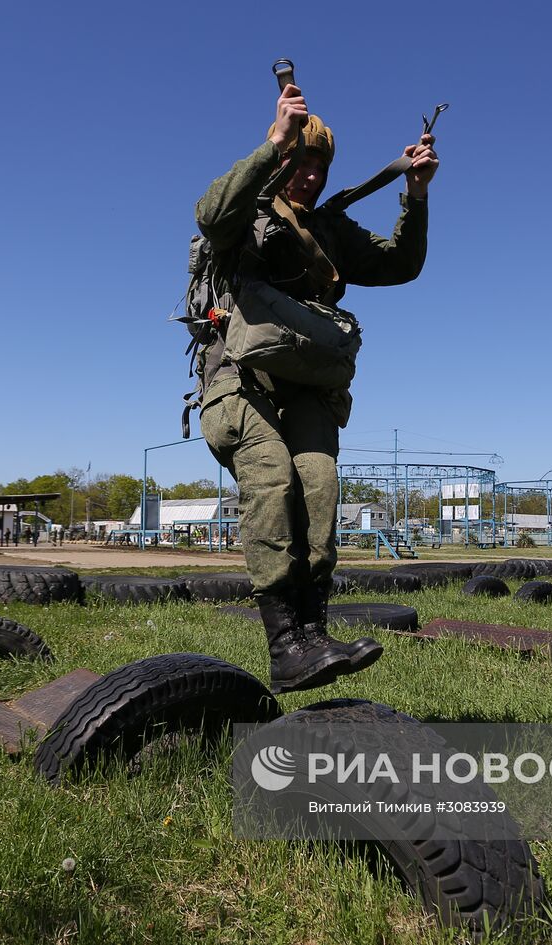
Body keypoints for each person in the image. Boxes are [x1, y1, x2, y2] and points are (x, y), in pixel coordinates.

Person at [192, 79, 437, 693]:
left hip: (305, 388)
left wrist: (415, 195)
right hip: (240, 382)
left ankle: (313, 636)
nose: (309, 175)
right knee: (273, 481)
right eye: (300, 162)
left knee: (320, 488)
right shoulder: (245, 212)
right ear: (282, 160)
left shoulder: (328, 229)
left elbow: (400, 265)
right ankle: (284, 646)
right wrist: (274, 140)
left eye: (319, 165)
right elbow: (209, 213)